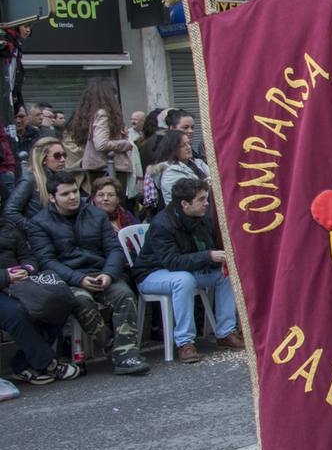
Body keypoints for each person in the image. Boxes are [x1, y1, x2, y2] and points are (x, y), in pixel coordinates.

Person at [28, 171, 149, 375]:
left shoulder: (96, 215)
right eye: (65, 194)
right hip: (69, 279)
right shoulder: (39, 223)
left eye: (75, 191)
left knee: (124, 294)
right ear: (52, 198)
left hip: (101, 273)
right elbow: (47, 262)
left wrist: (108, 274)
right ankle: (117, 348)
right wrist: (79, 279)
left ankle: (127, 357)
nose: (73, 197)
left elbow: (114, 250)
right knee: (81, 301)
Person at [131, 178, 243, 362]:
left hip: (187, 270)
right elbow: (171, 262)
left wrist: (219, 259)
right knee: (183, 280)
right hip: (152, 273)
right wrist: (208, 256)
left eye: (205, 198)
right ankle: (185, 342)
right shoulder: (162, 224)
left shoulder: (202, 219)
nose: (206, 203)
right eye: (201, 199)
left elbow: (206, 249)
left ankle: (225, 333)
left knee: (226, 275)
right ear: (184, 203)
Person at [0, 209, 79, 384]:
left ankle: (22, 365)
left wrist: (27, 269)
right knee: (17, 313)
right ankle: (47, 364)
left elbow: (28, 257)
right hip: (5, 287)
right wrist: (6, 276)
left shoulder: (8, 226)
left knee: (60, 298)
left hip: (20, 284)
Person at [71, 78, 134, 189]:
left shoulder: (91, 114)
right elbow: (101, 144)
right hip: (108, 167)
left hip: (99, 167)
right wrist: (126, 143)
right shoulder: (102, 114)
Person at [4, 137, 69, 231]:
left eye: (64, 155)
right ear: (43, 159)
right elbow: (10, 211)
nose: (63, 159)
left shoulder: (62, 177)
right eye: (57, 156)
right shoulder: (30, 180)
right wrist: (33, 229)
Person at [157, 129, 211, 203]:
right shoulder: (170, 173)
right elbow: (194, 196)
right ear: (172, 149)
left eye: (188, 143)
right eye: (183, 145)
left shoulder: (197, 163)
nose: (188, 147)